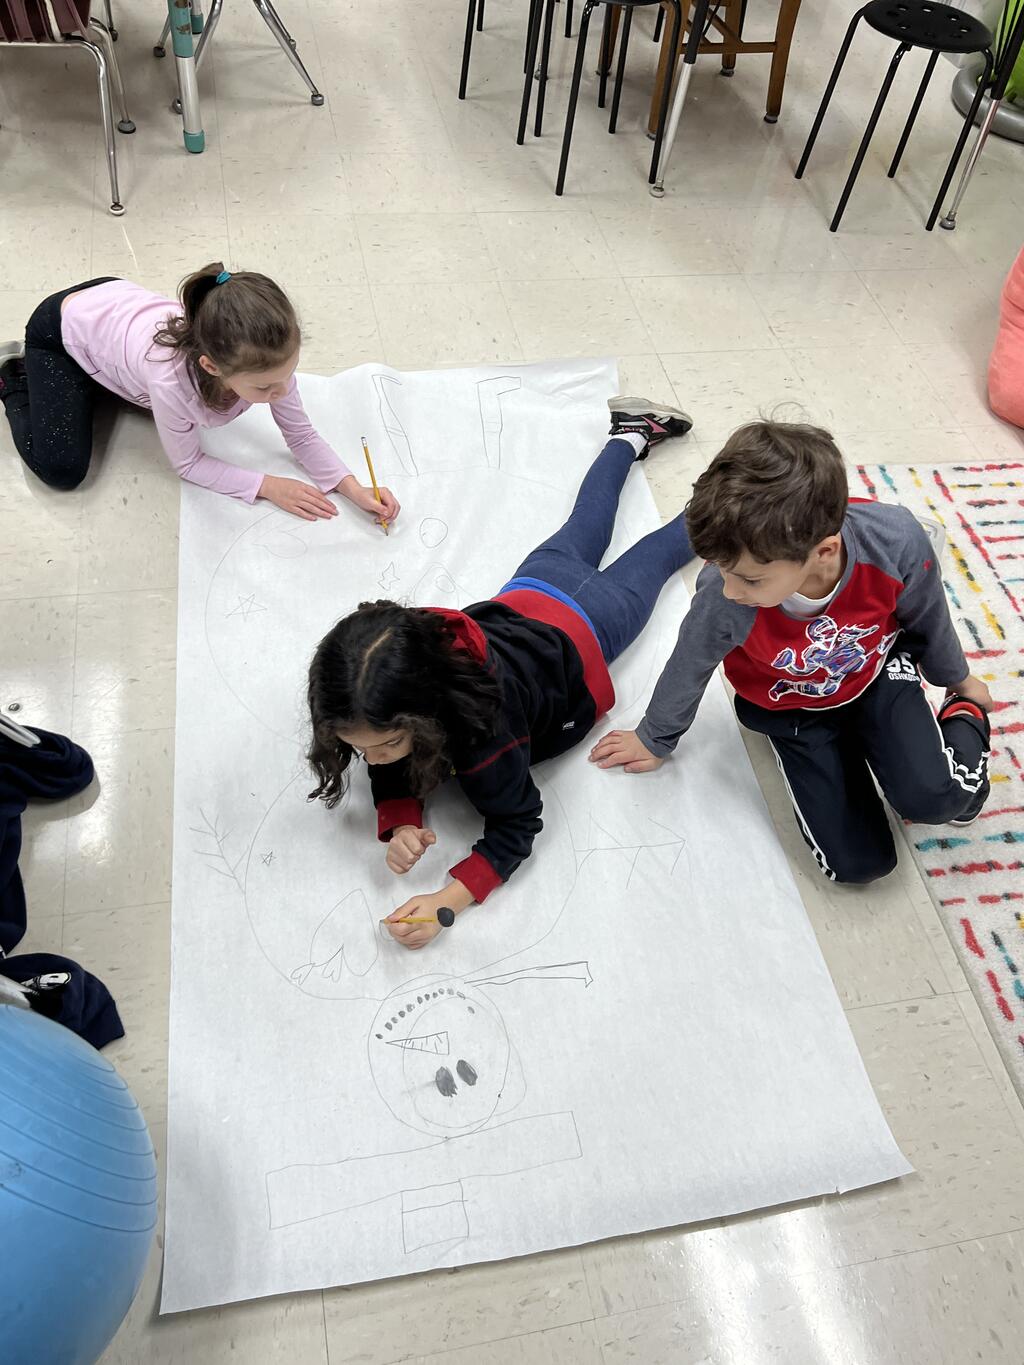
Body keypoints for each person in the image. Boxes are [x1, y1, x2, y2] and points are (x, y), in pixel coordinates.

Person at [306, 397, 694, 948]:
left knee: (665, 550)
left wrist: (447, 901)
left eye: (386, 744)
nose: (372, 760)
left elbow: (518, 823)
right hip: (534, 585)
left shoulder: (485, 734)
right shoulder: (412, 644)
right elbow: (384, 744)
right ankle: (629, 435)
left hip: (594, 621)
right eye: (359, 748)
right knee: (590, 516)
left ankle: (728, 500)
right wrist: (402, 817)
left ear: (427, 716)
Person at [590, 419, 993, 885]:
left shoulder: (896, 539)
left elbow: (927, 613)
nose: (730, 589)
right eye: (720, 567)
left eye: (750, 578)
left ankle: (962, 718)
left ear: (824, 552)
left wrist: (957, 680)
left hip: (876, 673)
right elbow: (690, 663)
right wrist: (655, 738)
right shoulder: (724, 595)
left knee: (939, 801)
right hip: (791, 708)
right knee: (859, 866)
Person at [0, 264, 399, 526]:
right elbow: (188, 464)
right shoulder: (170, 382)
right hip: (59, 330)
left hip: (108, 304)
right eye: (264, 387)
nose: (281, 391)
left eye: (288, 375)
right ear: (212, 366)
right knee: (63, 470)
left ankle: (99, 374)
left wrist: (353, 488)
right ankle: (14, 377)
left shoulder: (260, 364)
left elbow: (301, 434)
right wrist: (267, 486)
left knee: (137, 399)